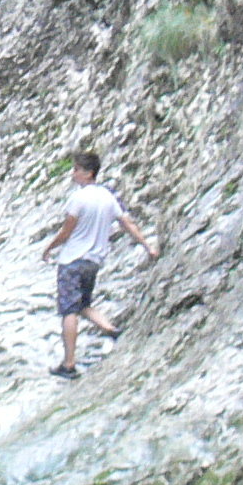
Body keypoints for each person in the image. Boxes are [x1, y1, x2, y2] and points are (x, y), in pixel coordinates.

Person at [41, 149, 156, 378]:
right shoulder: (107, 196)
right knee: (83, 303)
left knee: (69, 310)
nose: (73, 173)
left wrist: (49, 248)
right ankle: (110, 329)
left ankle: (69, 365)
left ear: (88, 173)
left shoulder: (78, 198)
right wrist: (147, 246)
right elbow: (126, 223)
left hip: (72, 260)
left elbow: (66, 231)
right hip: (94, 261)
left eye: (77, 170)